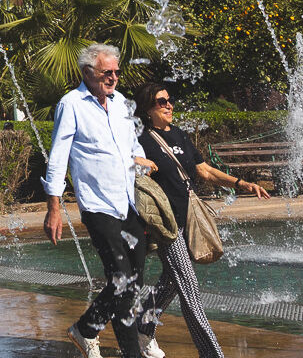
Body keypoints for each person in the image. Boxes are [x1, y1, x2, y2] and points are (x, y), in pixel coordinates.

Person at [136, 83, 271, 358]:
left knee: (172, 282)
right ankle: (212, 353)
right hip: (167, 225)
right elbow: (125, 166)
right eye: (162, 102)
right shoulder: (141, 139)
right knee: (190, 289)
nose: (169, 105)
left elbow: (204, 170)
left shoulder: (180, 135)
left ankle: (142, 325)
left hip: (190, 218)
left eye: (169, 100)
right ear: (148, 108)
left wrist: (241, 183)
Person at [43, 44, 159, 358]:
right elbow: (58, 158)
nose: (113, 78)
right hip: (97, 205)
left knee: (134, 279)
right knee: (121, 278)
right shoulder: (72, 104)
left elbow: (134, 145)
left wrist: (143, 162)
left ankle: (87, 328)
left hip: (127, 203)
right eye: (106, 72)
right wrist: (54, 208)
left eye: (116, 72)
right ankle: (131, 353)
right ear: (88, 73)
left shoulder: (122, 103)